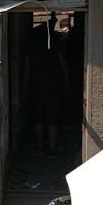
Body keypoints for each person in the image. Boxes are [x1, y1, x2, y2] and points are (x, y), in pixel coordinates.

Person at [25, 14, 70, 154]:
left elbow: (26, 70)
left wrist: (25, 88)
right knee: (53, 117)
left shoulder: (31, 47)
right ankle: (52, 147)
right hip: (53, 85)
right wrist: (67, 83)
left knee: (38, 116)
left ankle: (39, 145)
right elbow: (64, 65)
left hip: (36, 85)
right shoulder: (55, 45)